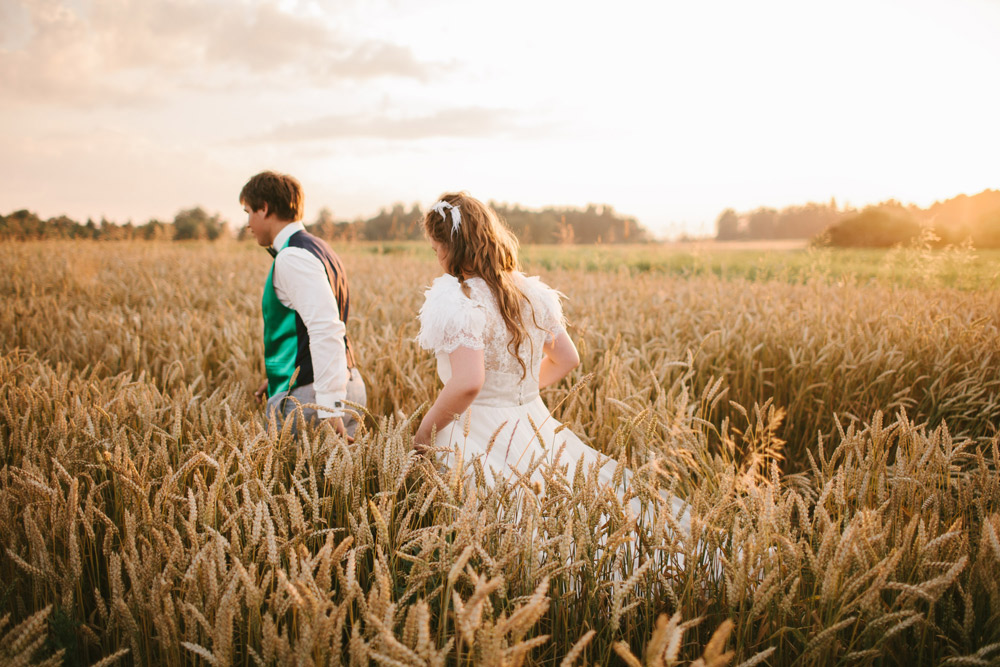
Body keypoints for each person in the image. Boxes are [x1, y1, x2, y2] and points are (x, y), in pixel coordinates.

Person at [413, 193, 689, 529]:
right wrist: (516, 392)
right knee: (557, 522)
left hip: (474, 431)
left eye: (436, 248)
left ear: (451, 247)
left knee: (503, 528)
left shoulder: (456, 298)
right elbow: (567, 358)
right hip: (533, 425)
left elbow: (469, 382)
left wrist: (423, 435)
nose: (437, 257)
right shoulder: (531, 292)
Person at [240, 171, 366, 437]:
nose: (248, 224)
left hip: (314, 397)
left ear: (264, 209)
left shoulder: (292, 256)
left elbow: (325, 328)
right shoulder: (320, 248)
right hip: (341, 381)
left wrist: (329, 406)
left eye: (249, 211)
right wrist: (280, 378)